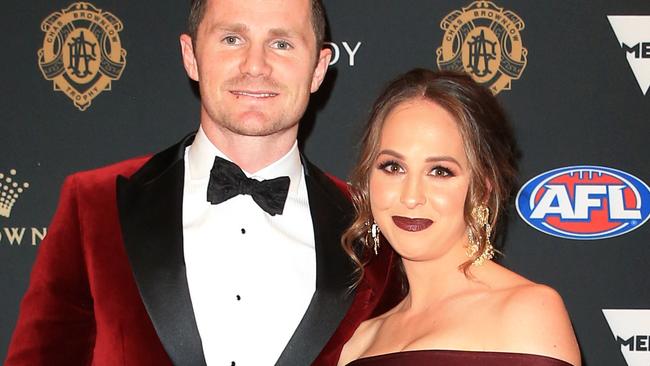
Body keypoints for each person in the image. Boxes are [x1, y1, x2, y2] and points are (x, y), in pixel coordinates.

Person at [5, 0, 399, 365]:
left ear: (317, 68)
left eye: (281, 43)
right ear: (191, 56)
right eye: (232, 39)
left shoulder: (371, 230)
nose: (255, 65)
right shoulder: (94, 205)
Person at [336, 69, 582, 366]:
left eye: (440, 171)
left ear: (482, 189)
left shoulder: (527, 312)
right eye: (393, 167)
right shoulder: (359, 342)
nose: (411, 196)